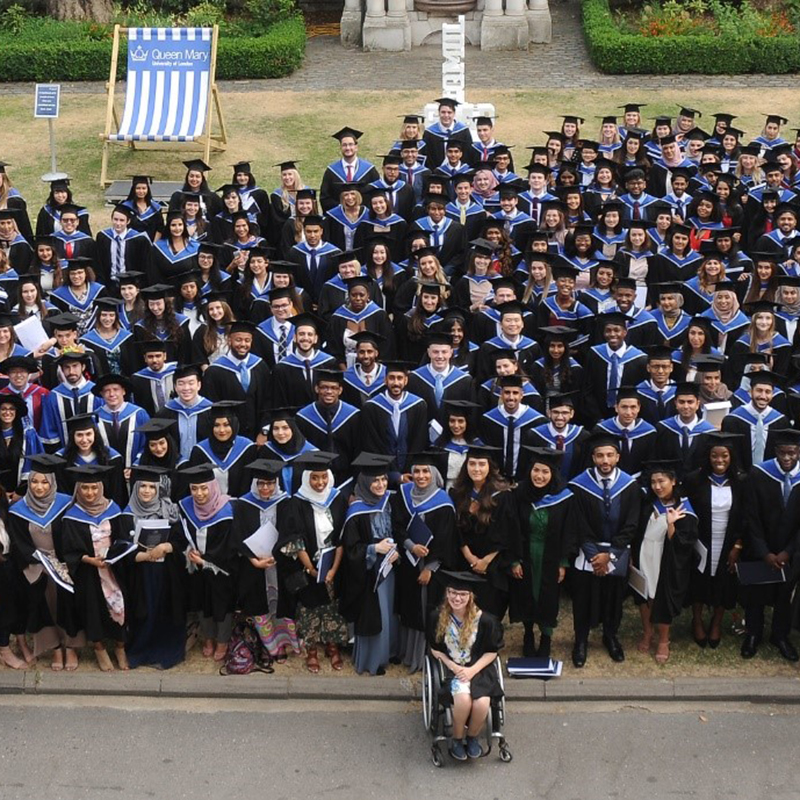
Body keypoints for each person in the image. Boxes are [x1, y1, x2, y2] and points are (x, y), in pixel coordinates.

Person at [568, 432, 642, 667]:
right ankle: (580, 640)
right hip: (586, 554)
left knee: (614, 598)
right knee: (582, 598)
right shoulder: (580, 485)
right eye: (600, 455)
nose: (605, 461)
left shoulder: (629, 486)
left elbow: (632, 523)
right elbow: (578, 523)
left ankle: (610, 636)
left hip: (616, 553)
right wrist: (594, 556)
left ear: (618, 457)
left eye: (610, 455)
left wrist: (609, 556)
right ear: (593, 458)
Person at [7, 454, 84, 670]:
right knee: (42, 606)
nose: (39, 487)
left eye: (44, 482)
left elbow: (72, 535)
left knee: (67, 604)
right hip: (35, 565)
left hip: (62, 563)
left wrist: (62, 562)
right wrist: (39, 560)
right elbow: (19, 542)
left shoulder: (65, 504)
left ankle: (71, 647)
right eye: (34, 481)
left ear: (52, 483)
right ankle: (54, 648)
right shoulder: (18, 510)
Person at [275, 451, 349, 673]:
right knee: (309, 609)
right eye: (314, 478)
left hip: (334, 564)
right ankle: (312, 651)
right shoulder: (296, 502)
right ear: (307, 478)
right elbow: (294, 540)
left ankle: (332, 646)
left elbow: (342, 537)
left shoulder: (337, 499)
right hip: (307, 566)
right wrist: (311, 568)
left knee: (332, 607)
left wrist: (333, 569)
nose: (320, 482)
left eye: (324, 477)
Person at [427, 570, 504, 762]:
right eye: (453, 592)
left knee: (482, 703)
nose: (457, 598)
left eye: (462, 594)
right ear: (447, 593)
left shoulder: (485, 621)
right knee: (462, 701)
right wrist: (452, 666)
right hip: (453, 670)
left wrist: (471, 670)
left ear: (470, 597)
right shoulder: (438, 617)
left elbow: (491, 652)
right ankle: (456, 738)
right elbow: (435, 650)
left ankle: (472, 739)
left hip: (478, 668)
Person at [62, 465, 131, 671]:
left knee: (121, 605)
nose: (90, 493)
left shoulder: (113, 509)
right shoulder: (72, 515)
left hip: (113, 568)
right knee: (92, 609)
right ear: (78, 489)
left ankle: (120, 647)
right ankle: (99, 649)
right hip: (88, 570)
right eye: (85, 488)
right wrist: (90, 560)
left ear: (101, 487)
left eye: (94, 488)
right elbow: (69, 549)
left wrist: (114, 556)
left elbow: (123, 538)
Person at [740, 428, 800, 662]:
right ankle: (753, 634)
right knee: (756, 593)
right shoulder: (759, 474)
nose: (787, 458)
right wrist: (764, 552)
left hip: (791, 550)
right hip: (761, 548)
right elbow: (750, 516)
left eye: (792, 453)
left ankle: (780, 635)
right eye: (783, 453)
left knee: (785, 595)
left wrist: (788, 551)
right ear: (775, 451)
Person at [394, 451, 457, 673]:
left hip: (431, 570)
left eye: (425, 472)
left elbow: (445, 540)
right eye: (417, 471)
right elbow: (397, 526)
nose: (421, 476)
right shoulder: (403, 494)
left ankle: (426, 656)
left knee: (426, 609)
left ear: (434, 474)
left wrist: (430, 568)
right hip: (408, 563)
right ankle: (408, 653)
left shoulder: (444, 503)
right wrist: (411, 545)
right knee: (409, 607)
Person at [233, 458, 301, 663]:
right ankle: (268, 647)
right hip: (254, 567)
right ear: (254, 483)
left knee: (281, 606)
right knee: (260, 609)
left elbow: (292, 533)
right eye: (261, 483)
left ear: (277, 483)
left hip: (280, 566)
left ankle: (284, 644)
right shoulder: (244, 504)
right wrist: (252, 559)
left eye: (270, 483)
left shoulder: (286, 502)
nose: (265, 488)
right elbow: (238, 535)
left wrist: (278, 554)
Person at [340, 452, 400, 676]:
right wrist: (374, 549)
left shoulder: (390, 502)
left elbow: (399, 532)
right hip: (369, 573)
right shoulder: (356, 512)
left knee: (390, 613)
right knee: (375, 615)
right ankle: (372, 661)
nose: (381, 484)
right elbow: (351, 549)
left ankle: (390, 653)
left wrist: (397, 552)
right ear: (365, 482)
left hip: (390, 569)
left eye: (384, 479)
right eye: (375, 480)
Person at [633, 460, 699, 664]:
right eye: (653, 482)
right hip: (645, 553)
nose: (657, 486)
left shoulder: (685, 509)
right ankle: (647, 632)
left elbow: (684, 545)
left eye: (662, 481)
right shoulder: (648, 503)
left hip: (667, 560)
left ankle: (663, 639)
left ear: (674, 481)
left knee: (661, 597)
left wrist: (671, 525)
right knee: (643, 593)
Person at [684, 432, 746, 650]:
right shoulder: (694, 480)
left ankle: (716, 623)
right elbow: (686, 512)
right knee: (699, 581)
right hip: (701, 542)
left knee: (724, 582)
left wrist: (737, 545)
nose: (720, 461)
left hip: (728, 542)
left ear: (731, 457)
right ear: (707, 457)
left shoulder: (740, 482)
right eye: (714, 456)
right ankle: (698, 620)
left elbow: (746, 516)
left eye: (725, 456)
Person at [121, 465, 186, 670]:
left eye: (152, 486)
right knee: (143, 609)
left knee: (165, 608)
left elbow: (181, 540)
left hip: (166, 571)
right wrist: (141, 556)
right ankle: (141, 651)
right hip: (140, 572)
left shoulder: (170, 510)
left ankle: (165, 650)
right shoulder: (126, 514)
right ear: (135, 488)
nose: (147, 491)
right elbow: (121, 546)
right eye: (143, 486)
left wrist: (167, 546)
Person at [510, 446, 572, 658]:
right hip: (525, 553)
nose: (539, 476)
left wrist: (563, 562)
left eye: (545, 472)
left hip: (550, 555)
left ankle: (546, 638)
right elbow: (513, 527)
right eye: (536, 470)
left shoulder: (563, 498)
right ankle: (528, 634)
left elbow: (567, 531)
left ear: (553, 474)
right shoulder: (519, 494)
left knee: (547, 597)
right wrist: (514, 560)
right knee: (525, 594)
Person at [178, 464, 237, 662]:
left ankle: (222, 641)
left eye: (204, 488)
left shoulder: (226, 509)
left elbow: (228, 545)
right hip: (196, 567)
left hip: (221, 570)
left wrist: (205, 560)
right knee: (202, 604)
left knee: (222, 605)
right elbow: (180, 535)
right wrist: (188, 551)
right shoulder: (185, 506)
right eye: (194, 488)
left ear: (213, 487)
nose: (199, 493)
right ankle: (208, 638)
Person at [450, 445, 517, 618]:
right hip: (463, 561)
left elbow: (506, 531)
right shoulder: (457, 493)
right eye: (472, 464)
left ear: (490, 467)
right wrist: (469, 557)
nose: (476, 469)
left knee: (488, 612)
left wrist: (485, 561)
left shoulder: (502, 495)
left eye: (481, 464)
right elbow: (453, 529)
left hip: (492, 565)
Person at [188, 402, 257, 497]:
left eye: (226, 424)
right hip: (210, 507)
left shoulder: (247, 448)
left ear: (234, 424)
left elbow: (249, 484)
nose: (221, 430)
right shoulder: (200, 451)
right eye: (216, 425)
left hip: (241, 507)